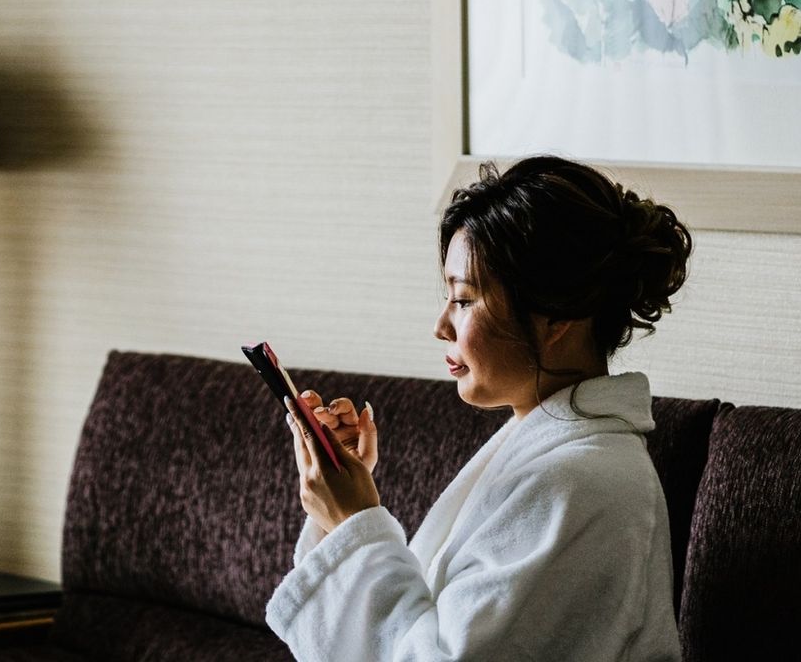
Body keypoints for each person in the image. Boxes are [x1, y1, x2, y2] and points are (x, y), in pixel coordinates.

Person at [266, 155, 691, 662]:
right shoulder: (548, 448)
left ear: (556, 316)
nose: (441, 326)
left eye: (464, 300)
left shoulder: (584, 485)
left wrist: (354, 520)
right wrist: (341, 515)